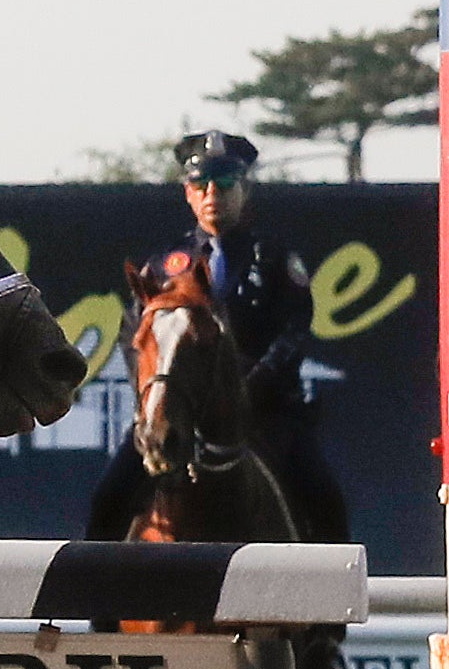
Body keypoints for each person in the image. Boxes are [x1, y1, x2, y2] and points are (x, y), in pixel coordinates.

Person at [86, 131, 349, 546]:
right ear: (188, 194)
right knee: (108, 498)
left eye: (226, 184)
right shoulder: (164, 265)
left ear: (245, 189)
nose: (213, 195)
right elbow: (134, 336)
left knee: (324, 498)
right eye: (200, 185)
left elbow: (295, 329)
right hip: (178, 410)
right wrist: (156, 395)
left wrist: (252, 383)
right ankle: (96, 608)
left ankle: (332, 609)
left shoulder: (274, 257)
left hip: (265, 410)